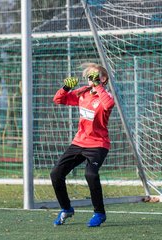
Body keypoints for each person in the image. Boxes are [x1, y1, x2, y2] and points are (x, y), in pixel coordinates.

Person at [50, 63, 115, 227]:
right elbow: (58, 99)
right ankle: (66, 209)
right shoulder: (82, 94)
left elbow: (108, 105)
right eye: (89, 77)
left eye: (95, 76)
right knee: (56, 174)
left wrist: (98, 85)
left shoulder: (105, 95)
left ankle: (99, 213)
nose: (91, 79)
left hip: (98, 145)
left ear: (103, 79)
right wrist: (65, 87)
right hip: (79, 143)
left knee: (90, 174)